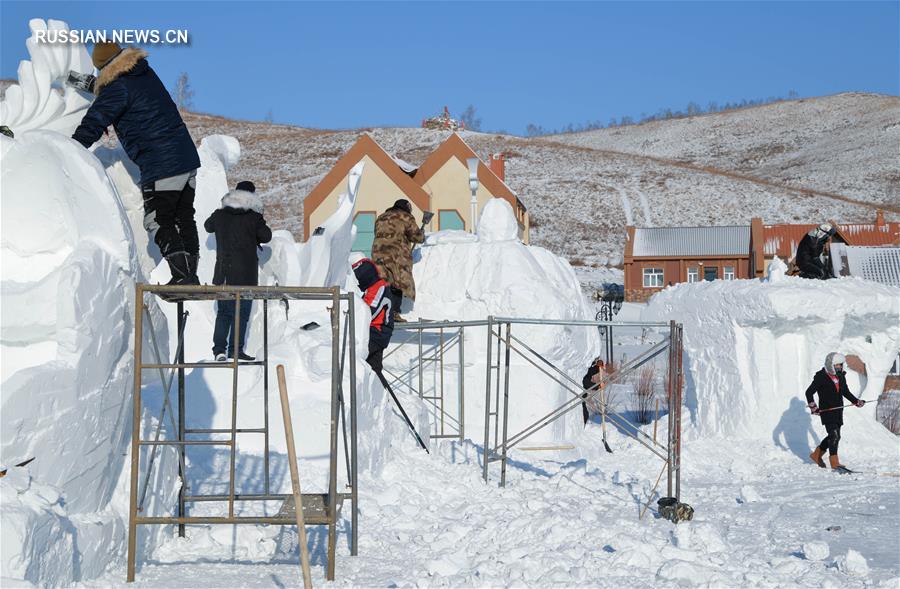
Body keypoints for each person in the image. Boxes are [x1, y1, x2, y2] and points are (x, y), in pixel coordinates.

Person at [71, 42, 202, 285]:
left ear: (103, 68)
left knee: (158, 220)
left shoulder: (117, 88)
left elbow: (95, 120)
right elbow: (121, 93)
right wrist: (95, 87)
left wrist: (70, 150)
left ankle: (183, 277)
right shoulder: (144, 73)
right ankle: (191, 274)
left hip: (161, 164)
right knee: (183, 217)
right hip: (186, 159)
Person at [204, 181, 272, 361]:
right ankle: (235, 350)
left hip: (224, 273)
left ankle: (219, 350)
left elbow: (207, 226)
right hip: (246, 276)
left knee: (224, 313)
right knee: (241, 314)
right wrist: (258, 215)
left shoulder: (220, 215)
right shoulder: (253, 217)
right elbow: (266, 236)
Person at [806, 352, 865, 472]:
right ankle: (834, 463)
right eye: (837, 365)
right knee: (834, 435)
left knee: (834, 436)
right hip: (827, 410)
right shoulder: (821, 377)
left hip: (838, 410)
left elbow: (845, 392)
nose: (840, 367)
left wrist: (856, 401)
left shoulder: (841, 376)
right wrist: (813, 407)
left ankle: (816, 455)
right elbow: (809, 392)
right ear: (830, 365)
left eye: (841, 365)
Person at [371, 199, 425, 322]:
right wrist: (421, 233)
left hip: (378, 253)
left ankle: (380, 311)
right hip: (396, 255)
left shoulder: (381, 217)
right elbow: (417, 237)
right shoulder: (406, 217)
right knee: (398, 283)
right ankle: (393, 313)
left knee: (383, 282)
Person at [352, 258, 395, 378]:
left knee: (355, 357)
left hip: (377, 332)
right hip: (374, 331)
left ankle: (375, 390)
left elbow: (369, 312)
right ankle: (377, 391)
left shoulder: (379, 288)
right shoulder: (373, 288)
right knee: (372, 368)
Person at [581, 357, 607, 425]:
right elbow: (584, 381)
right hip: (578, 397)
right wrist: (597, 386)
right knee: (583, 416)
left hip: (583, 397)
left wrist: (597, 367)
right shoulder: (576, 370)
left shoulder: (582, 368)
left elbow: (587, 373)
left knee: (585, 415)